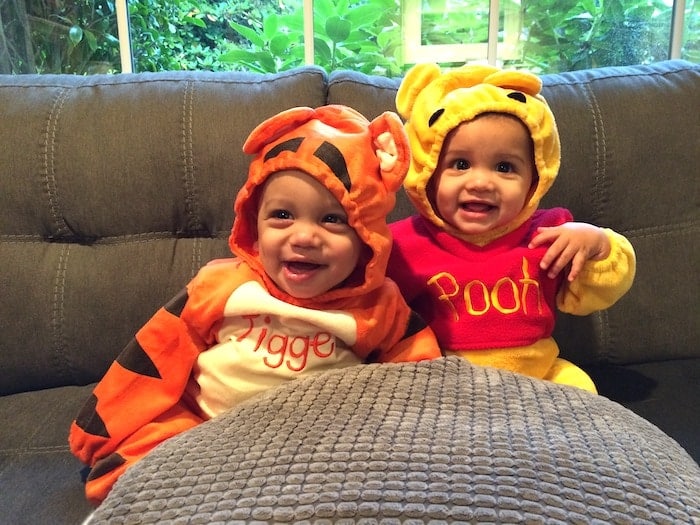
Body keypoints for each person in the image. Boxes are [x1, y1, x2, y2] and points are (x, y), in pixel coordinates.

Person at [69, 104, 442, 504]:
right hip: (205, 425)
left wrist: (421, 441)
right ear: (254, 222)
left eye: (333, 220)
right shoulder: (223, 284)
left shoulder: (378, 306)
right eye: (282, 215)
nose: (303, 237)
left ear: (366, 234)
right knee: (159, 447)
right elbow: (158, 350)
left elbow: (418, 372)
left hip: (317, 444)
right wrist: (103, 423)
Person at [388, 64, 636, 393]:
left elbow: (592, 295)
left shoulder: (552, 234)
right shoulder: (405, 244)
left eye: (504, 167)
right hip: (444, 381)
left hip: (539, 377)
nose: (480, 182)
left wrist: (598, 244)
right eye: (459, 164)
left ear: (535, 178)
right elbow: (366, 300)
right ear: (427, 174)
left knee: (583, 392)